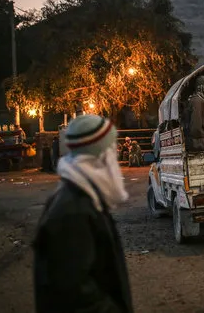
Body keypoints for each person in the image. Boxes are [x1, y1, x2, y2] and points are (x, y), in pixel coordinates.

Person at [33, 114, 133, 313]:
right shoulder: (72, 211)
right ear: (100, 155)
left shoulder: (84, 195)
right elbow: (73, 293)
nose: (115, 157)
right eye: (111, 149)